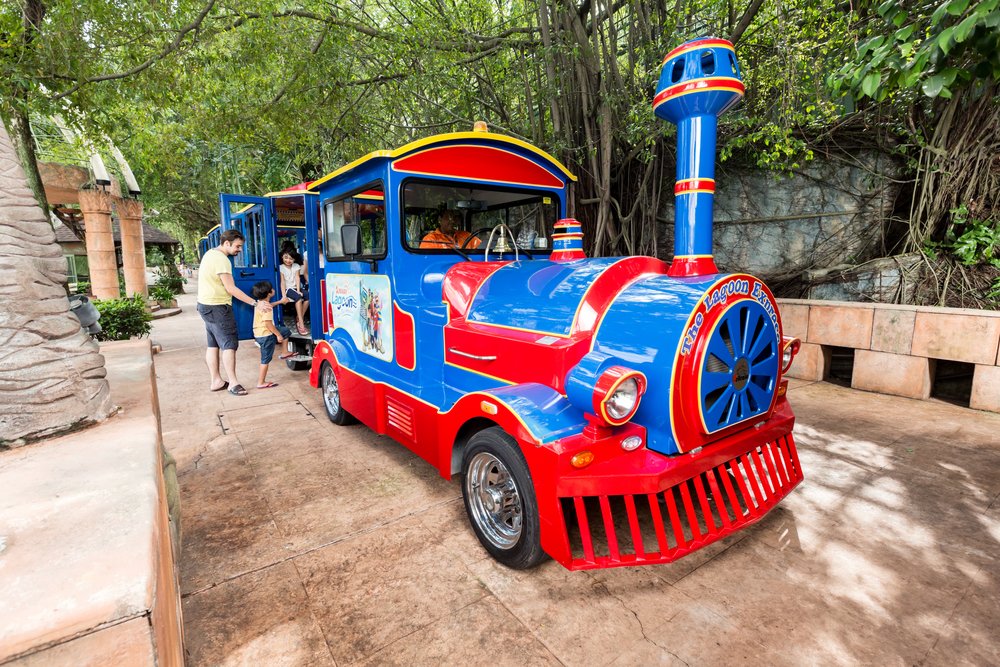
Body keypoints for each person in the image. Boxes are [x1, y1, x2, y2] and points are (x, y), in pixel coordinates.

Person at [196, 229, 266, 396]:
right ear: (226, 243)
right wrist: (255, 303)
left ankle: (216, 380)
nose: (239, 250)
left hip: (205, 305)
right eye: (237, 246)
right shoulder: (222, 260)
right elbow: (231, 288)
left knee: (212, 344)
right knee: (229, 345)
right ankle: (233, 383)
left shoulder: (210, 253)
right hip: (218, 307)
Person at [251, 281, 292, 389]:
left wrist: (279, 302)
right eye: (272, 289)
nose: (273, 290)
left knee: (286, 331)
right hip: (266, 335)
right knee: (265, 359)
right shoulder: (267, 308)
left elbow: (271, 305)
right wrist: (278, 335)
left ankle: (284, 352)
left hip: (260, 333)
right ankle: (261, 382)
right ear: (269, 293)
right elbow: (268, 324)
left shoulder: (260, 304)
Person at [280, 251, 309, 335]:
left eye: (291, 259)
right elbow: (282, 282)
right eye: (286, 258)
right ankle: (301, 323)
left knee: (308, 296)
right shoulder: (281, 267)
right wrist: (284, 296)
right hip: (287, 289)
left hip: (296, 288)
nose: (288, 260)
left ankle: (299, 317)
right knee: (298, 298)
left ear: (294, 259)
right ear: (282, 257)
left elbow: (297, 278)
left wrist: (299, 291)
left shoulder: (296, 266)